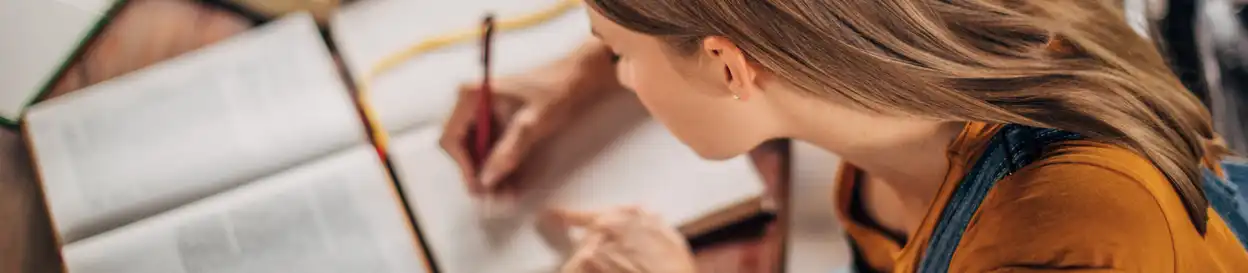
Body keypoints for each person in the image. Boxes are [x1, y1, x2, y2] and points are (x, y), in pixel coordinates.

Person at [439, 1, 1248, 272]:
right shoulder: (901, 69)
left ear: (729, 65)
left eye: (617, 54)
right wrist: (575, 77)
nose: (618, 76)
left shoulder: (1068, 235)